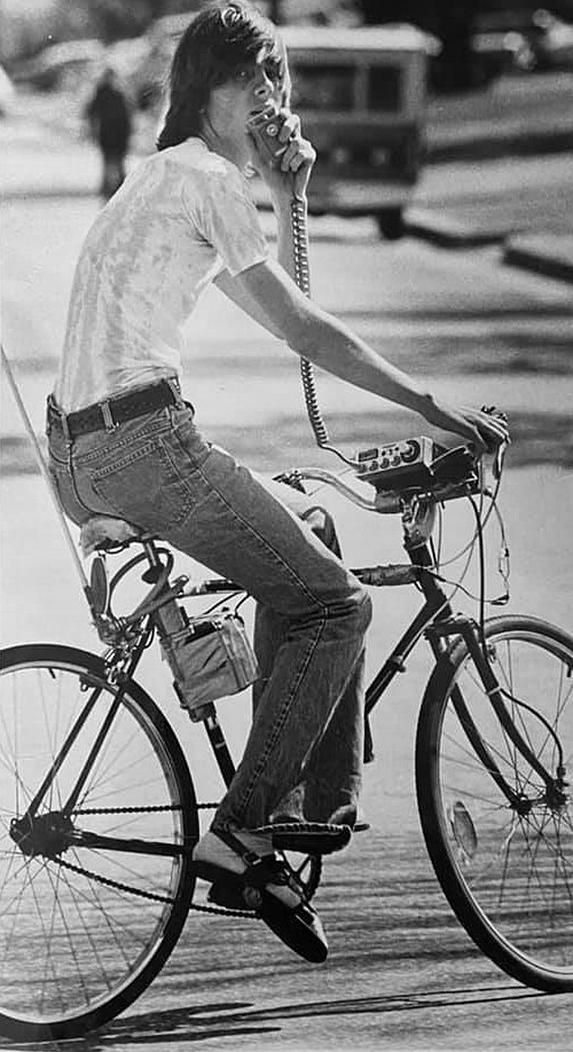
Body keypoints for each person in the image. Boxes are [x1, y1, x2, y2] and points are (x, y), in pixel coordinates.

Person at [46, 1, 508, 963]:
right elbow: (299, 328)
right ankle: (246, 829)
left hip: (84, 452)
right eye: (252, 79)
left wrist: (288, 183)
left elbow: (278, 290)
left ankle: (302, 819)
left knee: (309, 535)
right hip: (147, 442)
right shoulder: (208, 179)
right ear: (204, 89)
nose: (270, 98)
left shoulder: (160, 179)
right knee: (336, 611)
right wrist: (427, 404)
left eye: (277, 81)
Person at [84, 66, 132, 200]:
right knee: (114, 160)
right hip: (113, 132)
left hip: (112, 132)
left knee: (111, 160)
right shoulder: (115, 94)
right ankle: (117, 185)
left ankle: (112, 186)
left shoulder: (112, 94)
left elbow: (91, 114)